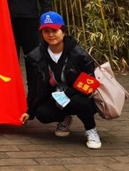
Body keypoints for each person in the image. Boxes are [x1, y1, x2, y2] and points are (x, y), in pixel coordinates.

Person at [20, 12, 101, 149]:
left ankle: (91, 129)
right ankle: (64, 118)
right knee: (42, 113)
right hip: (55, 98)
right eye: (46, 31)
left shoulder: (78, 54)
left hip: (79, 95)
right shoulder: (36, 56)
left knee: (79, 102)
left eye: (54, 30)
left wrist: (67, 94)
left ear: (63, 32)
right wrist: (29, 111)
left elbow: (89, 81)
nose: (51, 35)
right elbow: (35, 86)